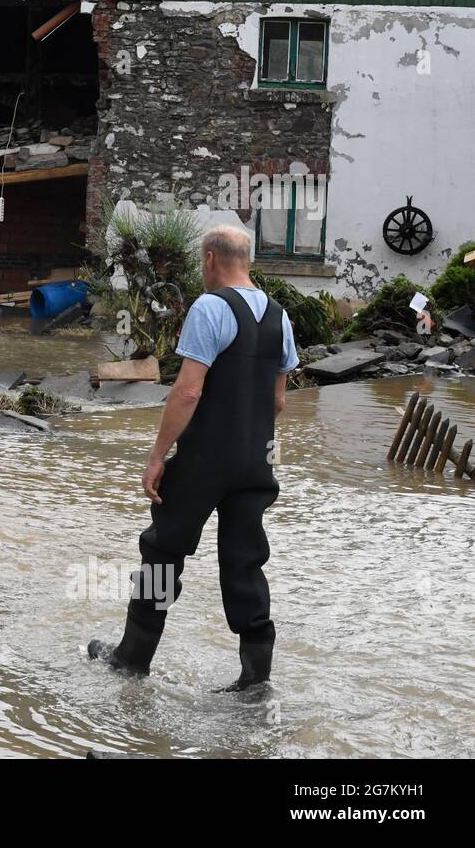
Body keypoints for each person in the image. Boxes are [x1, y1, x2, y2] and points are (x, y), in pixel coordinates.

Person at [88, 224, 299, 690]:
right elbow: (278, 401)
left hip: (205, 460)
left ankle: (132, 657)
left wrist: (157, 456)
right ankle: (254, 680)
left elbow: (186, 391)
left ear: (209, 259)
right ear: (248, 260)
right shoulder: (279, 317)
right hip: (255, 464)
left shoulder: (210, 307)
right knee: (245, 561)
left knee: (164, 551)